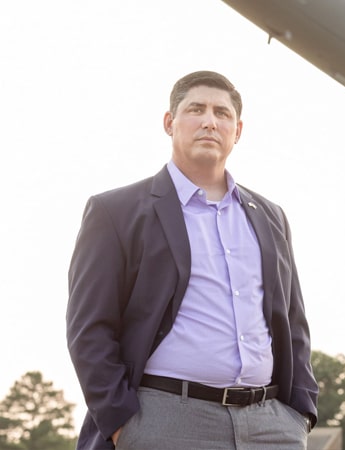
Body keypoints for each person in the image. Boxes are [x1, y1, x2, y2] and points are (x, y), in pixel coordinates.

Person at [67, 70, 318, 450]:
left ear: (238, 130)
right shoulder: (115, 211)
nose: (209, 121)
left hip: (271, 426)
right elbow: (89, 328)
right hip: (165, 422)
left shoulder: (271, 216)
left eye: (222, 113)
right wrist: (122, 423)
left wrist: (300, 412)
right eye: (195, 109)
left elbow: (293, 322)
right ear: (170, 122)